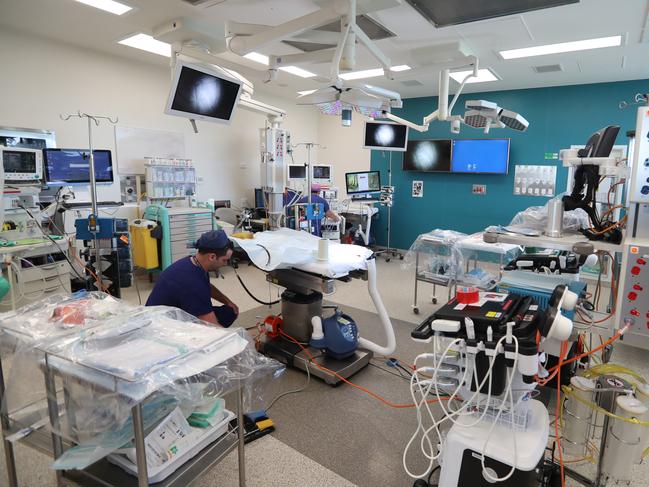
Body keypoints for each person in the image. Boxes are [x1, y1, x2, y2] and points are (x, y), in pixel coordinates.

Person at [146, 229, 239, 327]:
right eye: (224, 260)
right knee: (221, 334)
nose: (225, 264)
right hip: (161, 326)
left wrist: (227, 301)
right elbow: (212, 326)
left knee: (230, 312)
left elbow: (207, 286)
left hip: (174, 312)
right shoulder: (193, 284)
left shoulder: (193, 262)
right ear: (212, 257)